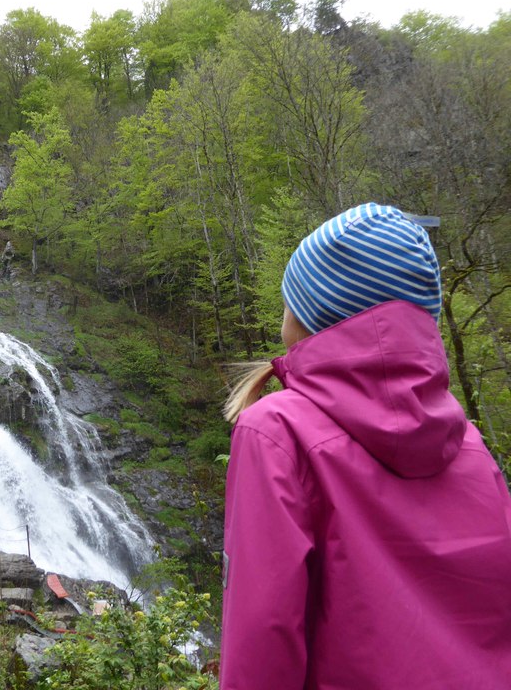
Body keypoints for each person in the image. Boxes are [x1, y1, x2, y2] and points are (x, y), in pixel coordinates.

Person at [218, 202, 511, 689]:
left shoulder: (276, 429)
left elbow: (263, 635)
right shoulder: (467, 440)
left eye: (291, 298)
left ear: (315, 314)